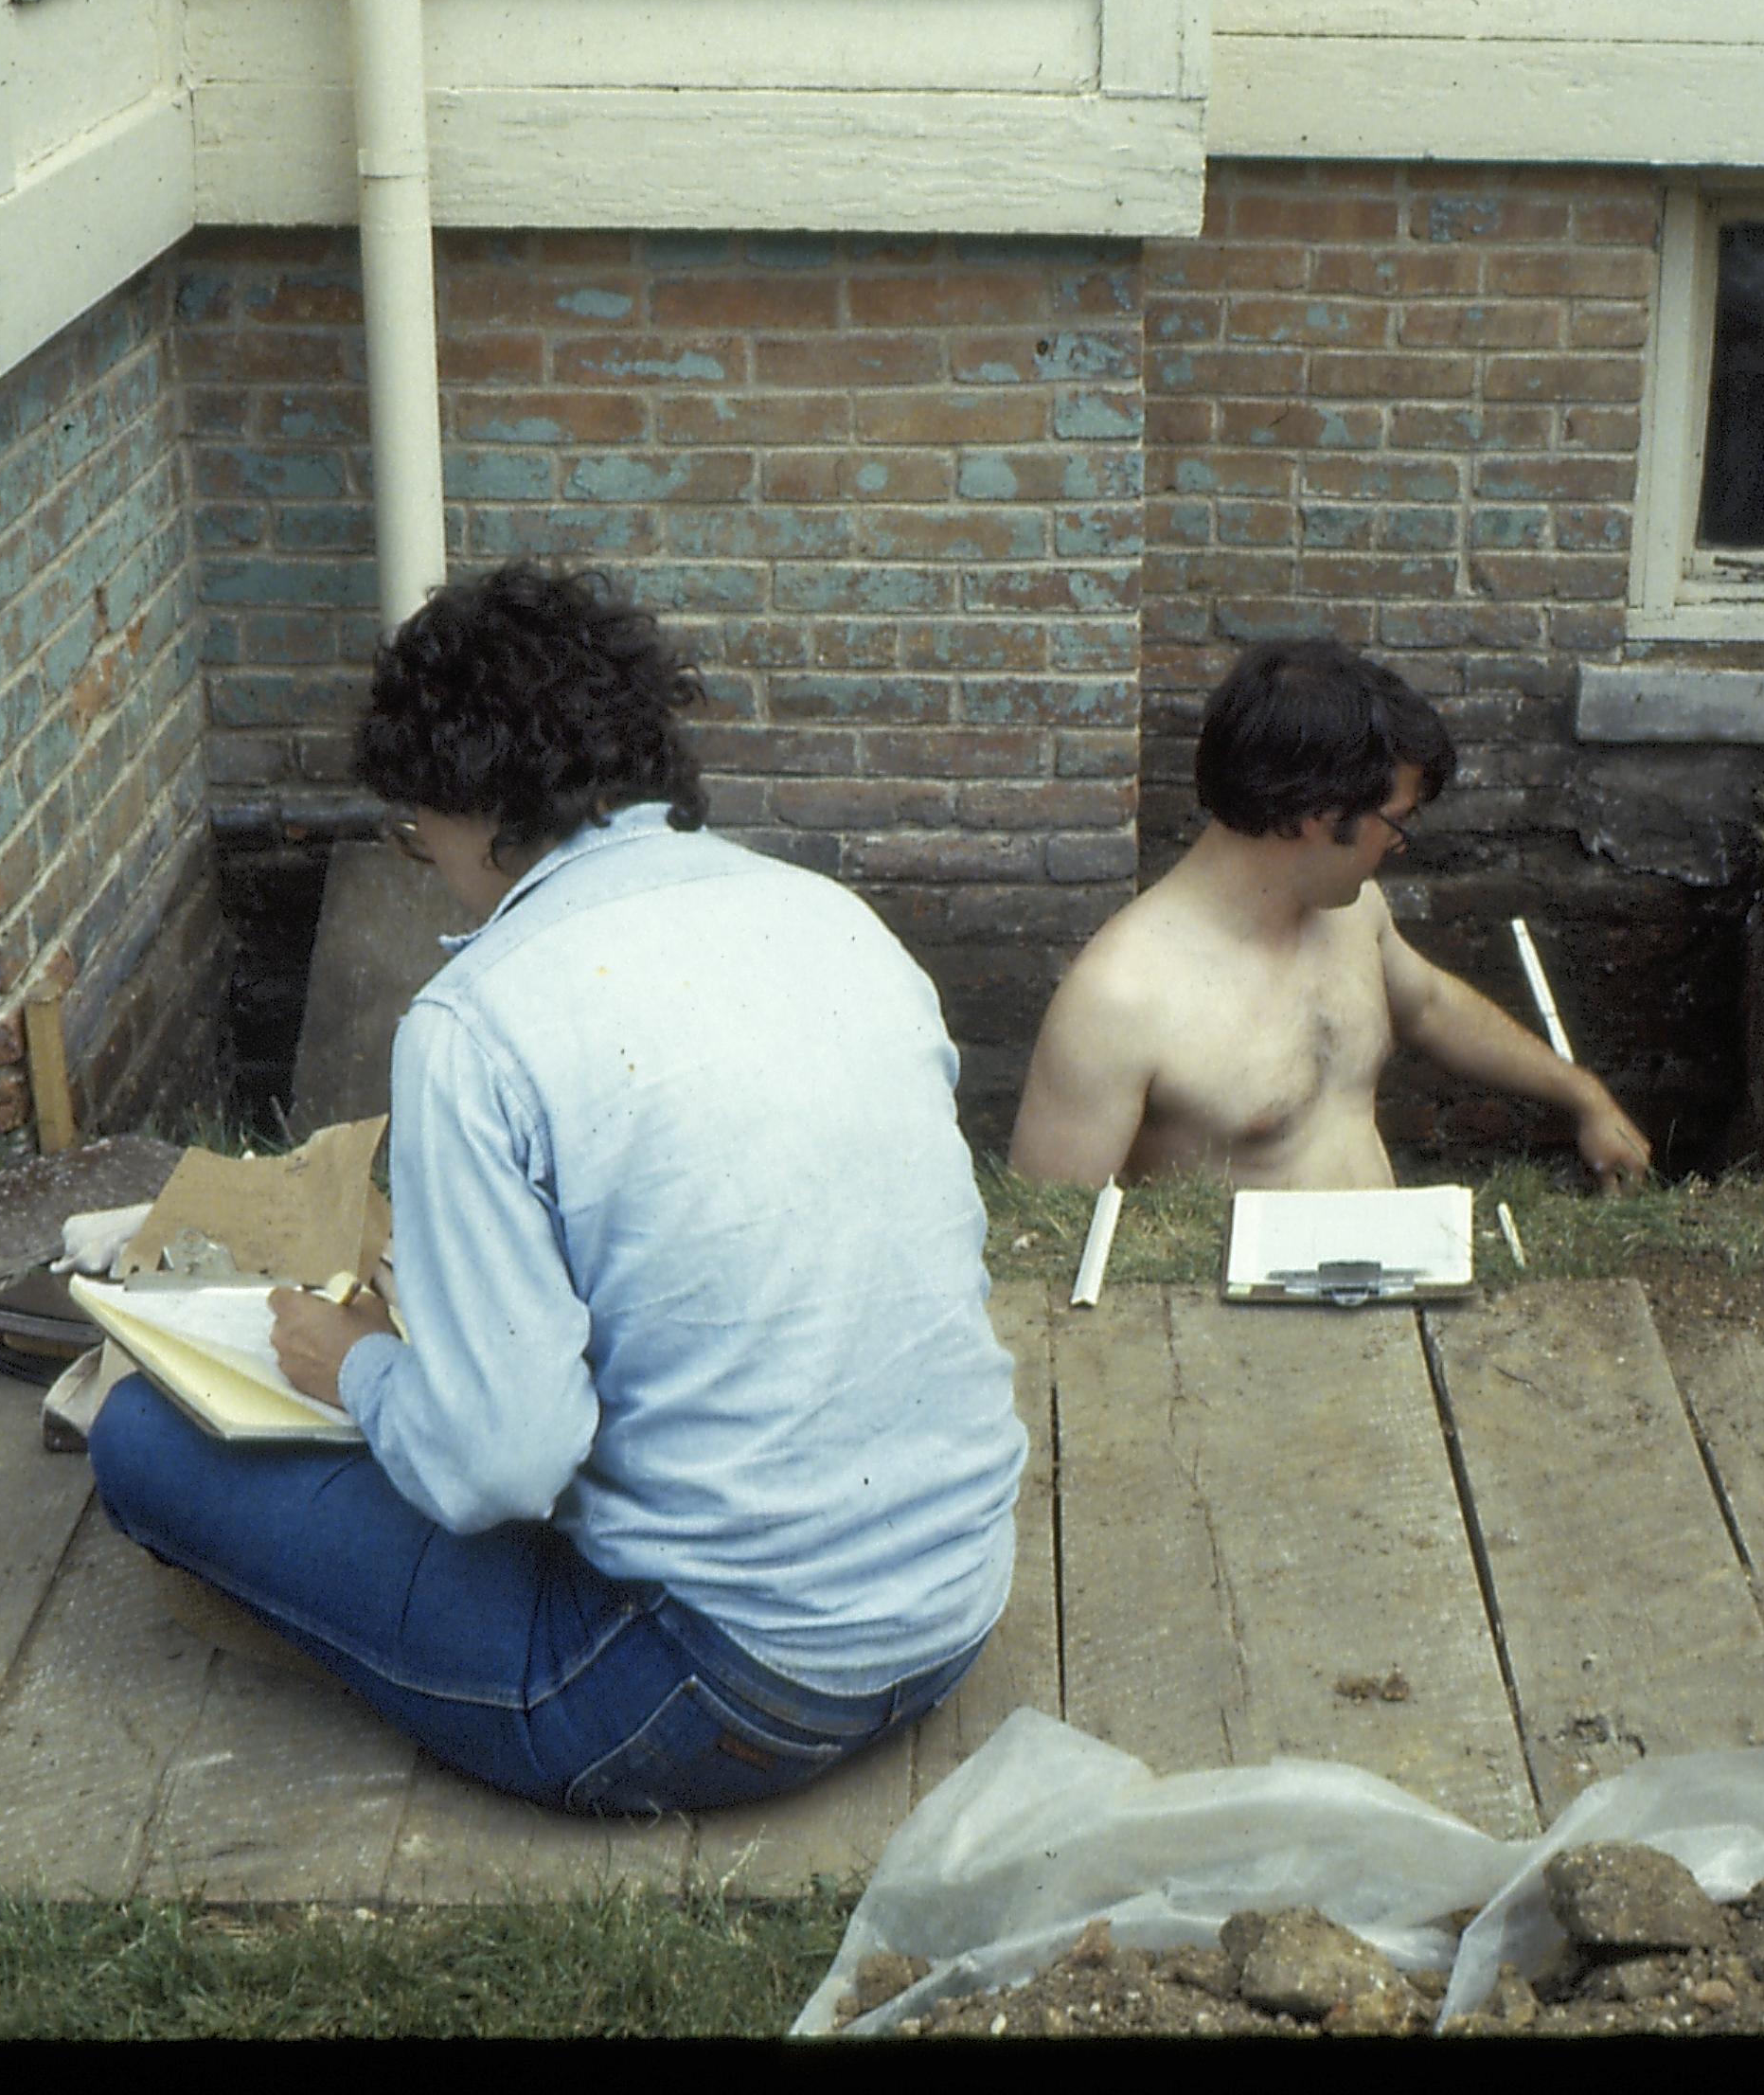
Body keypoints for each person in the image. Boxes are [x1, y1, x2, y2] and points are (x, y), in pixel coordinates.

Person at [85, 561, 1027, 1817]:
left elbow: (501, 1470)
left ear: (470, 807)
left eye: (415, 835)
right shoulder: (833, 917)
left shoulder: (476, 1024)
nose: (428, 864)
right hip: (953, 1606)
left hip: (708, 1693)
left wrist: (355, 1365)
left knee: (143, 1440)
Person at [1008, 636, 1655, 1192]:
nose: (1398, 847)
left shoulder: (1351, 914)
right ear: (1320, 814)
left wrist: (1583, 1095)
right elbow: (1047, 1245)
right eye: (1395, 824)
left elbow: (1430, 1007)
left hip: (1392, 1306)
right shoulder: (1120, 1001)